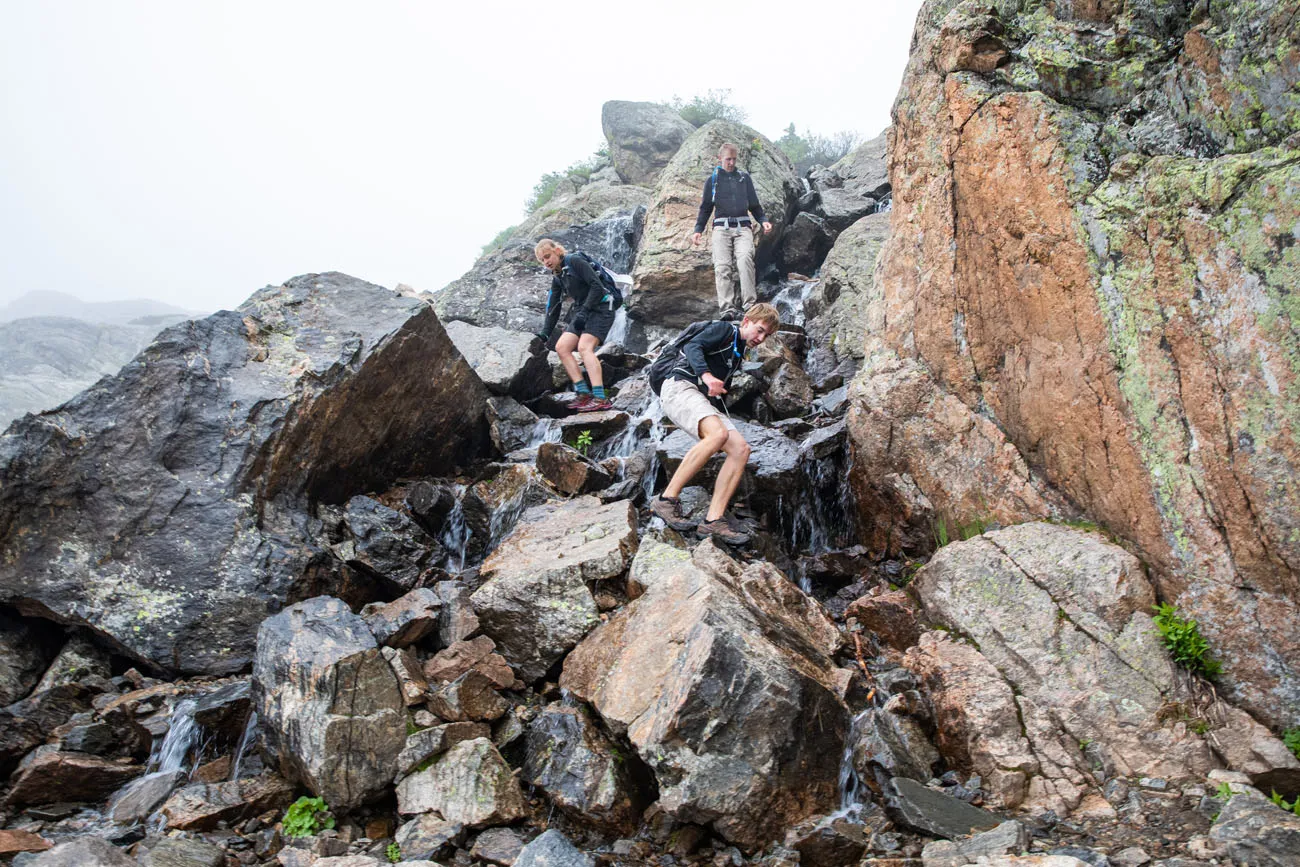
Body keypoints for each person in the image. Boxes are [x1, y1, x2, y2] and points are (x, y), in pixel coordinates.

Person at [648, 303, 780, 545]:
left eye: (766, 335)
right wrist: (708, 377)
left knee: (740, 449)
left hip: (696, 397)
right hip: (678, 386)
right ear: (747, 321)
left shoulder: (737, 351)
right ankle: (666, 500)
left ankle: (713, 521)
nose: (761, 338)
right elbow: (692, 346)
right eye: (759, 330)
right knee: (718, 435)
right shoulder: (724, 330)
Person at [534, 238, 622, 412]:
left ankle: (600, 397)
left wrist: (584, 312)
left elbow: (597, 286)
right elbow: (553, 308)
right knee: (562, 347)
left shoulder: (574, 260)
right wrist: (545, 333)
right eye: (542, 260)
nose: (546, 262)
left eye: (547, 256)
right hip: (583, 311)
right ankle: (583, 394)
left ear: (557, 250)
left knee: (584, 348)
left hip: (603, 306)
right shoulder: (558, 276)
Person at [690, 143, 773, 319]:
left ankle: (749, 305)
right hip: (721, 228)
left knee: (745, 261)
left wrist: (764, 221)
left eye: (734, 159)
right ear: (719, 158)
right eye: (728, 159)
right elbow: (705, 208)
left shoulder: (744, 178)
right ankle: (727, 309)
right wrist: (698, 229)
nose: (731, 163)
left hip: (743, 227)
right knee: (722, 267)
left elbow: (755, 206)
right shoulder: (712, 181)